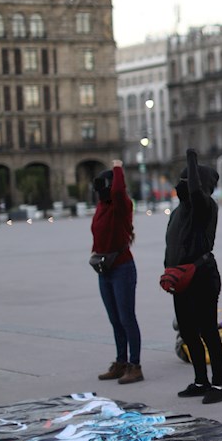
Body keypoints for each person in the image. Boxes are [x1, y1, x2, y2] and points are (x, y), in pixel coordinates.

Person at [166, 149, 222, 403]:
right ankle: (200, 380)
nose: (182, 186)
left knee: (208, 331)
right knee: (189, 331)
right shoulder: (178, 211)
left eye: (187, 180)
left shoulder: (204, 206)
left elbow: (194, 192)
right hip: (181, 279)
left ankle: (218, 385)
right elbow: (172, 245)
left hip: (203, 276)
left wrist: (190, 159)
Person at [91, 160, 143, 385]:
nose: (101, 190)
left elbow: (119, 191)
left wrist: (118, 168)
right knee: (115, 319)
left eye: (106, 185)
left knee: (126, 318)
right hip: (105, 270)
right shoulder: (103, 206)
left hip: (122, 268)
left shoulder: (122, 205)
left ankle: (135, 366)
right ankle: (121, 362)